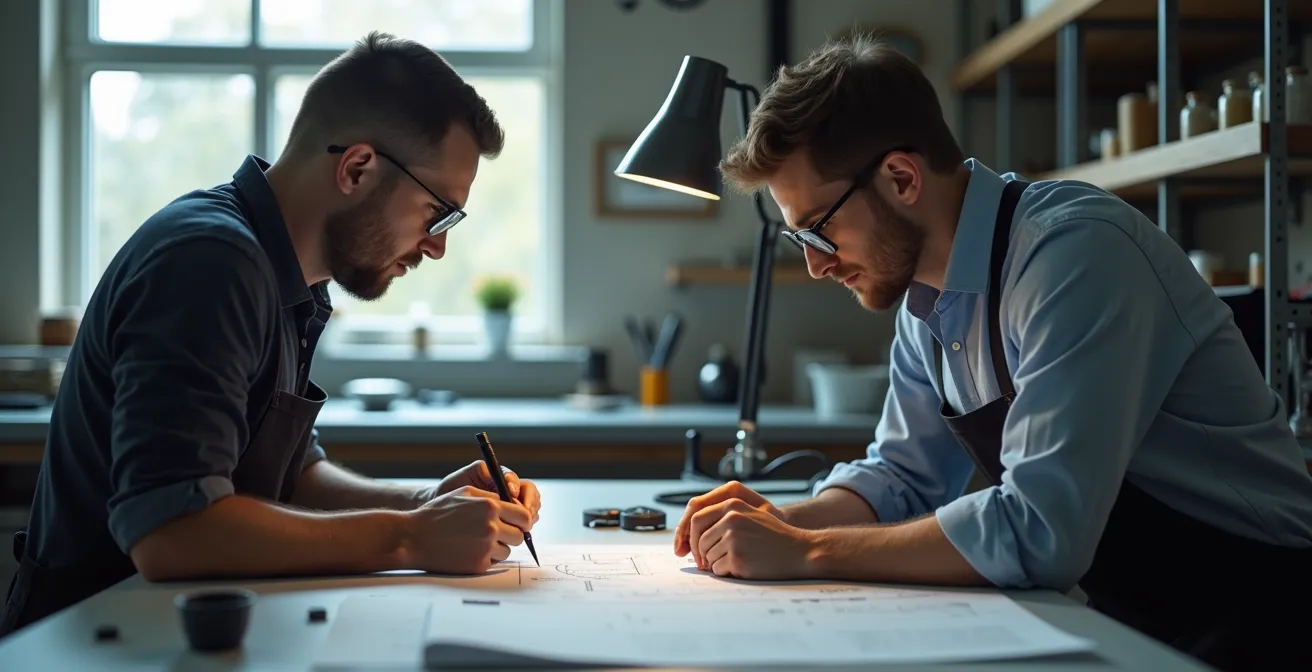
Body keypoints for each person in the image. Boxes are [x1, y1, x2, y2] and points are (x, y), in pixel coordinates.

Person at [674, 34, 1312, 671]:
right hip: (1145, 614)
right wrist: (785, 521)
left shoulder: (1073, 255)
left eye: (819, 229)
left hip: (1264, 610)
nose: (814, 264)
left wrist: (808, 552)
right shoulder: (923, 298)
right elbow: (903, 477)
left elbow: (1039, 530)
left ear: (901, 177)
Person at [0, 32, 541, 636]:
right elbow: (170, 534)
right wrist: (410, 537)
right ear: (357, 168)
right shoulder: (211, 261)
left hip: (163, 630)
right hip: (89, 641)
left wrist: (423, 504)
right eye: (438, 213)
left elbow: (293, 477)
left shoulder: (288, 277)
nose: (438, 246)